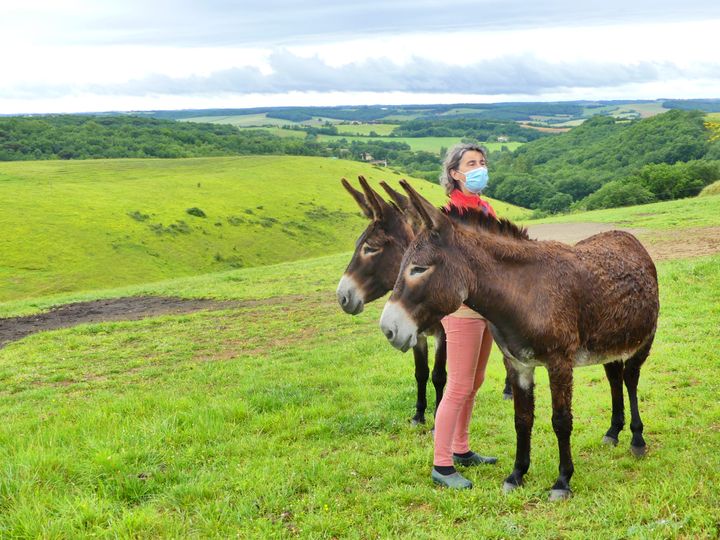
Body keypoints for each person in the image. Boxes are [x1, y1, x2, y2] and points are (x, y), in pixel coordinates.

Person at [431, 143, 498, 489]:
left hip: (488, 308)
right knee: (457, 386)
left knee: (476, 382)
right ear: (455, 174)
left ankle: (461, 448)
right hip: (462, 310)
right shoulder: (448, 216)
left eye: (482, 162)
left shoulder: (486, 209)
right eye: (471, 163)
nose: (479, 167)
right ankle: (441, 466)